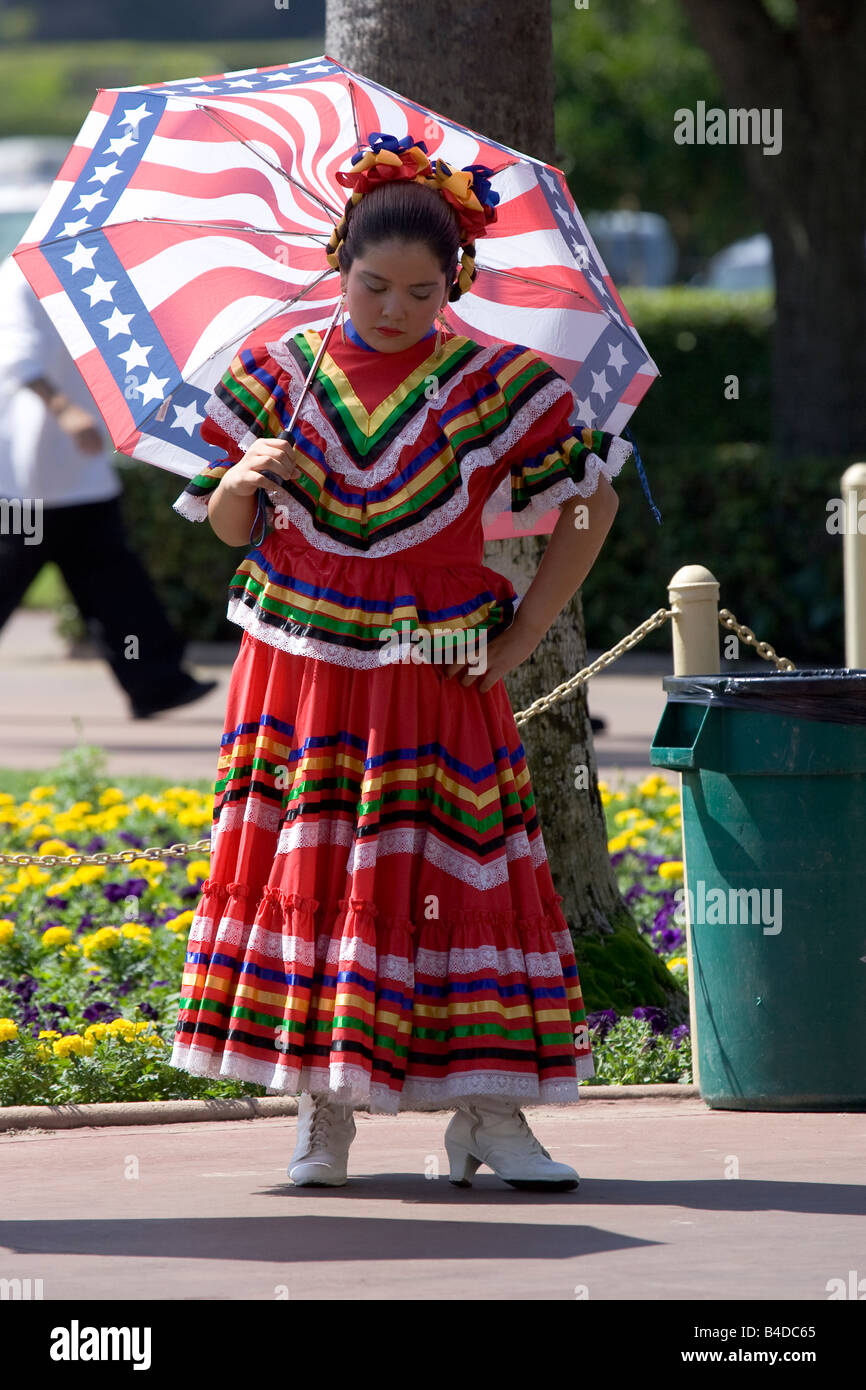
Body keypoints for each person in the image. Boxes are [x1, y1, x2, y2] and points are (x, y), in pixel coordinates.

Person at [168, 134, 630, 1191]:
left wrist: (522, 633)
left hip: (442, 661)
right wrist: (245, 473)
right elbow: (228, 528)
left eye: (420, 292)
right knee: (319, 867)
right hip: (303, 667)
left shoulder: (492, 380)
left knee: (456, 865)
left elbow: (588, 501)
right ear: (337, 262)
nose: (391, 308)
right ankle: (320, 1115)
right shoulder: (276, 373)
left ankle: (490, 1113)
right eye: (372, 283)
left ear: (452, 285)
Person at [0, 253, 216, 719]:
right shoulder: (21, 276)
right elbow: (16, 358)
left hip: (80, 476)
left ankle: (155, 682)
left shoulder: (92, 275)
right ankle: (155, 680)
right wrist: (63, 410)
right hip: (22, 482)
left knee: (116, 586)